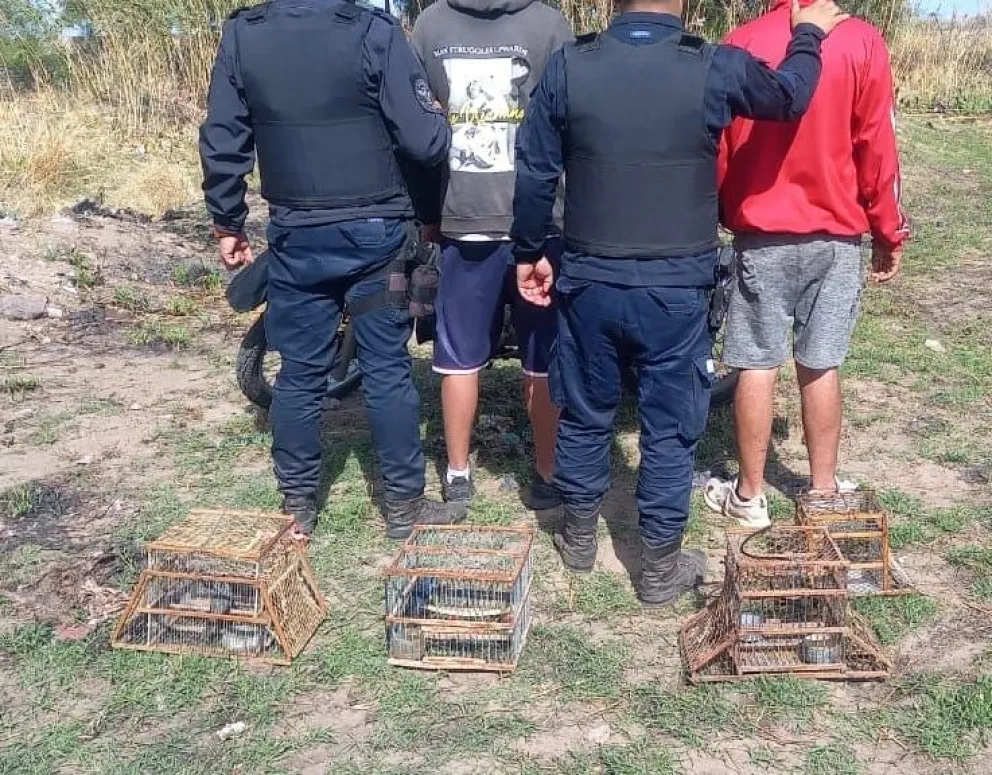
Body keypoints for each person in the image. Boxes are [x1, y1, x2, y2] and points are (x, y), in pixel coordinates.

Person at [511, 0, 849, 607]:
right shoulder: (713, 65)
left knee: (586, 408)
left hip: (590, 279)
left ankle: (581, 535)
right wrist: (806, 36)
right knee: (671, 426)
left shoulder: (570, 66)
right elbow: (789, 97)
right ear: (687, 6)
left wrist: (528, 250)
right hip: (675, 290)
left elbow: (535, 170)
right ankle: (660, 566)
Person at [199, 0, 466, 541]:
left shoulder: (245, 34)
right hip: (376, 232)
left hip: (298, 236)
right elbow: (424, 141)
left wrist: (228, 221)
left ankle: (298, 506)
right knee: (387, 368)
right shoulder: (372, 30)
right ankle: (403, 507)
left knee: (299, 372)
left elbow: (223, 136)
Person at [705, 0, 910, 529]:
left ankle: (749, 494)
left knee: (755, 361)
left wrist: (727, 210)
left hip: (761, 232)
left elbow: (721, 147)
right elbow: (877, 147)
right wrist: (888, 228)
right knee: (821, 362)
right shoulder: (863, 42)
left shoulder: (743, 40)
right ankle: (821, 490)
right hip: (836, 234)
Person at [411, 0, 573, 507]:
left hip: (463, 214)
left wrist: (426, 213)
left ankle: (458, 474)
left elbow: (418, 127)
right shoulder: (549, 24)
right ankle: (547, 475)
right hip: (538, 219)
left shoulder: (432, 23)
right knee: (541, 352)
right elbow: (571, 118)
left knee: (458, 354)